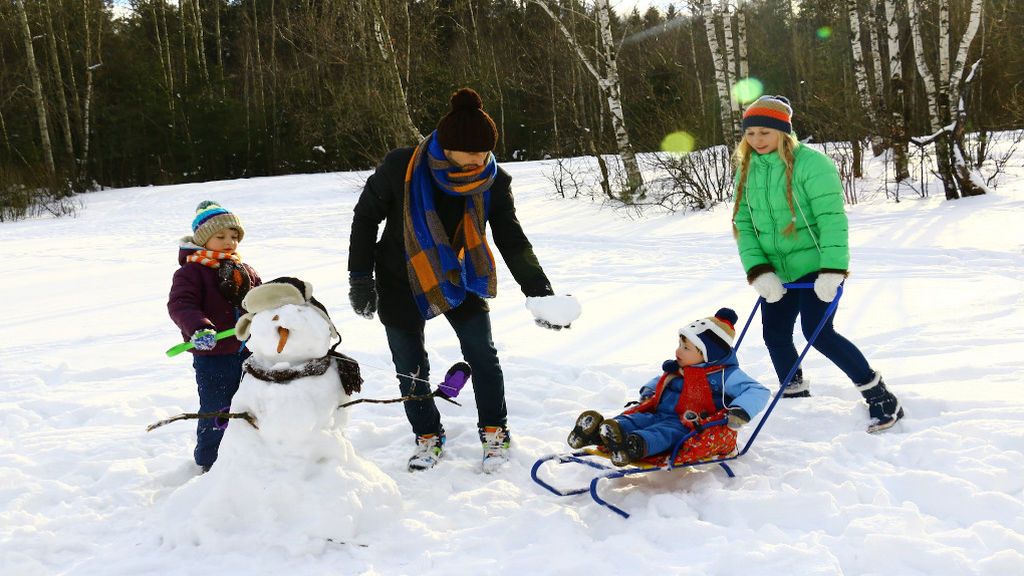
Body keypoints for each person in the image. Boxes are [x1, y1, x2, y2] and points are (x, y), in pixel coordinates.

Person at [348, 87, 572, 473]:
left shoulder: (493, 180)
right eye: (470, 156)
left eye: (484, 155)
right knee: (409, 365)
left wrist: (540, 291)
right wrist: (360, 278)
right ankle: (427, 435)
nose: (477, 163)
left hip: (461, 274)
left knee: (483, 355)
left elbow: (510, 236)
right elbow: (365, 218)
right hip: (400, 276)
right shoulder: (401, 166)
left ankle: (494, 430)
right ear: (447, 148)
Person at [731, 95, 904, 433]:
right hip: (775, 270)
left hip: (816, 266)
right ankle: (793, 393)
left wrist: (832, 270)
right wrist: (759, 270)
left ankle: (880, 397)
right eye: (750, 133)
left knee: (818, 333)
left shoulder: (813, 165)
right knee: (775, 335)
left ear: (784, 131)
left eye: (765, 132)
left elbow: (832, 221)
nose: (757, 140)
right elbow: (744, 223)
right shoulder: (746, 167)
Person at [567, 308, 769, 467]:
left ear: (708, 355)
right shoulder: (681, 367)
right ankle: (599, 432)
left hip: (685, 423)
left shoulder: (725, 374)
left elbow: (758, 391)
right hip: (658, 412)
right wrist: (649, 391)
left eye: (686, 348)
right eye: (680, 344)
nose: (678, 351)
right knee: (636, 419)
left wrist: (740, 411)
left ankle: (635, 446)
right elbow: (662, 379)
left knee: (663, 433)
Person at [168, 201, 262, 470]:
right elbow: (181, 305)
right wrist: (200, 328)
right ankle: (210, 461)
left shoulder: (245, 270)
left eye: (234, 237)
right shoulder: (191, 272)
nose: (229, 242)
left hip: (249, 351)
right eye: (220, 236)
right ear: (203, 239)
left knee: (252, 404)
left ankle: (251, 454)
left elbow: (260, 299)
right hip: (214, 355)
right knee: (218, 409)